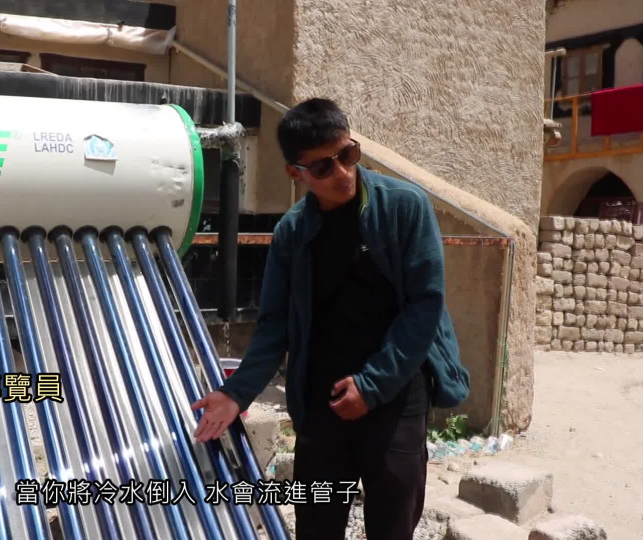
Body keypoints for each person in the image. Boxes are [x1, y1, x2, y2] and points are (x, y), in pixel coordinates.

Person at [191, 97, 470, 539]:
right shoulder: (292, 233)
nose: (341, 172)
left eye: (347, 154)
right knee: (317, 525)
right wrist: (236, 393)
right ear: (295, 173)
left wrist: (372, 386)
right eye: (323, 167)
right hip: (322, 400)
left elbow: (425, 305)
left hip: (396, 391)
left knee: (392, 523)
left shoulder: (404, 207)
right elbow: (275, 325)